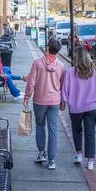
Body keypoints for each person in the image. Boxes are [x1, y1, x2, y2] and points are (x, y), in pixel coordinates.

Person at [23, 37, 65, 170]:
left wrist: (26, 96)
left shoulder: (37, 63)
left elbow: (31, 82)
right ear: (58, 50)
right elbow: (63, 86)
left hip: (39, 101)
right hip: (54, 102)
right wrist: (63, 101)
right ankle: (52, 160)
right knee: (53, 130)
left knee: (40, 125)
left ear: (48, 47)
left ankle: (42, 153)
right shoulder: (61, 66)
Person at [61, 46, 96, 170]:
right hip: (92, 106)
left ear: (75, 58)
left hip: (75, 107)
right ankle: (90, 161)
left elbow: (65, 89)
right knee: (90, 133)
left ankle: (79, 154)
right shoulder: (94, 71)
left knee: (76, 129)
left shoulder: (70, 72)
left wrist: (63, 101)